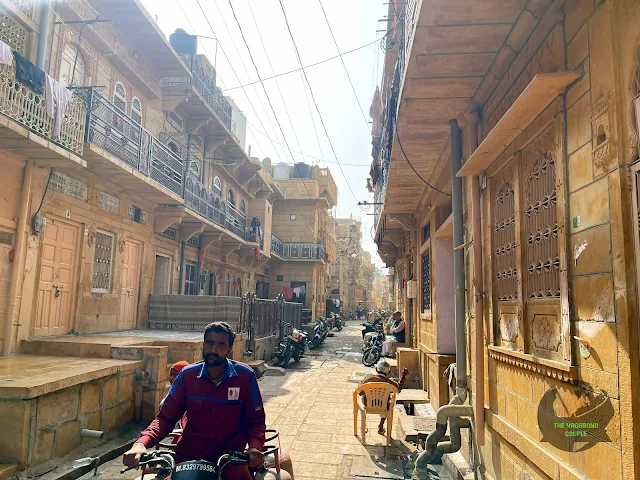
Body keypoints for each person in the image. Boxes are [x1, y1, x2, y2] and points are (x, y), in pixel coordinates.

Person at [123, 322, 265, 480]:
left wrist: (254, 447)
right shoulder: (187, 376)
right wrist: (141, 443)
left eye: (221, 345)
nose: (213, 350)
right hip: (189, 461)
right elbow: (165, 418)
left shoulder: (245, 376)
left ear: (230, 349)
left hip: (230, 461)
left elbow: (256, 420)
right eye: (210, 343)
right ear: (203, 344)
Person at [359, 359, 409, 435]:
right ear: (388, 373)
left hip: (367, 404)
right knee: (388, 401)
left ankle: (364, 424)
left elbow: (360, 392)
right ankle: (381, 426)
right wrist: (403, 377)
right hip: (384, 406)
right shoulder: (389, 382)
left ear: (376, 369)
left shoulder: (369, 378)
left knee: (365, 396)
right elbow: (398, 389)